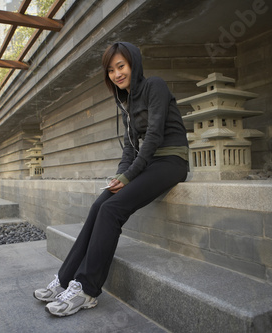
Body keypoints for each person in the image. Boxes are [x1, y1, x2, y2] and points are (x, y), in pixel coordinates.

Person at [34, 41, 189, 317]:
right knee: (99, 205)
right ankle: (65, 279)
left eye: (121, 66)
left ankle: (87, 290)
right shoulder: (126, 100)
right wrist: (120, 176)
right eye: (111, 70)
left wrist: (130, 176)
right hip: (151, 162)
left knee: (111, 210)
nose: (117, 74)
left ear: (133, 65)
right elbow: (130, 147)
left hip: (171, 161)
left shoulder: (155, 86)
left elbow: (153, 136)